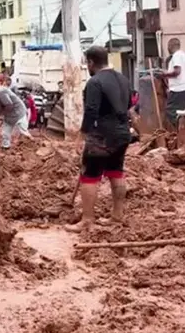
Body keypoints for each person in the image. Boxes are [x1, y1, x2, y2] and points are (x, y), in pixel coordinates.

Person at [65, 46, 132, 233]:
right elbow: (128, 105)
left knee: (90, 176)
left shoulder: (95, 82)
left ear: (91, 62)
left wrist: (82, 134)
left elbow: (91, 110)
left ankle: (87, 220)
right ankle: (117, 216)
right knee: (116, 172)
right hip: (122, 133)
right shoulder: (123, 79)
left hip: (102, 136)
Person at [0, 76, 32, 149]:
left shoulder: (0, 91)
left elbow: (9, 105)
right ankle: (5, 147)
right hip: (9, 115)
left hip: (18, 113)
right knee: (5, 134)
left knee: (24, 132)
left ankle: (32, 147)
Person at [158, 38, 185, 128]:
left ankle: (180, 129)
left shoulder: (176, 56)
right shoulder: (183, 55)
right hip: (183, 87)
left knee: (171, 111)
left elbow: (177, 72)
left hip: (178, 88)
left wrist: (165, 74)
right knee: (180, 111)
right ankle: (181, 129)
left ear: (170, 46)